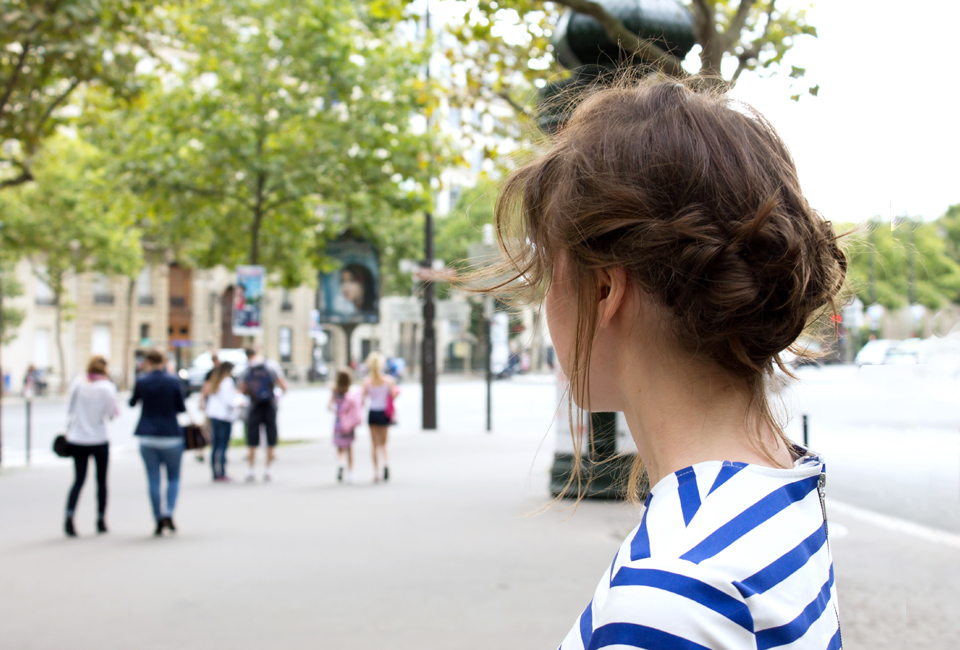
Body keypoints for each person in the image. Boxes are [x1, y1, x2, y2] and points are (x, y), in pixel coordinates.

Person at [477, 80, 846, 649]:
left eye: (551, 274)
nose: (548, 302)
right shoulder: (782, 488)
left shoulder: (670, 596)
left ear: (604, 290)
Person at [130, 349, 187, 536]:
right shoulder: (173, 380)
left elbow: (132, 402)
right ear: (164, 361)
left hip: (147, 436)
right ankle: (169, 511)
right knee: (174, 478)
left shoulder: (142, 381)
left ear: (147, 362)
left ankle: (157, 517)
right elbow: (181, 407)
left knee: (153, 479)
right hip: (171, 435)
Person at [63, 356, 119, 537]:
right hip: (99, 439)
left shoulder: (77, 384)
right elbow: (112, 413)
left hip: (78, 439)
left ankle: (69, 516)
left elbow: (69, 409)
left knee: (78, 480)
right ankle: (101, 519)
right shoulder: (107, 388)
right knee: (101, 481)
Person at [238, 348, 287, 482]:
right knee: (270, 437)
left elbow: (241, 390)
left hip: (254, 406)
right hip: (269, 406)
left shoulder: (247, 369)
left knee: (252, 439)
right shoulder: (271, 367)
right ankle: (268, 470)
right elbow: (284, 387)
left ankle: (251, 470)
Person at [362, 352, 398, 483]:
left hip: (373, 412)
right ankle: (386, 464)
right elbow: (393, 396)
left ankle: (376, 472)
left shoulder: (367, 381)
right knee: (384, 443)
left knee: (374, 445)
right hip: (384, 413)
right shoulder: (388, 380)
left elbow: (363, 398)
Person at [204, 361, 238, 482]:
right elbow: (229, 401)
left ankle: (215, 472)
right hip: (224, 417)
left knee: (216, 445)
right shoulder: (227, 381)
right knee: (223, 445)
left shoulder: (215, 380)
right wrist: (239, 402)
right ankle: (222, 472)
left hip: (214, 416)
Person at [328, 369, 362, 484]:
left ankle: (340, 463)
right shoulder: (351, 391)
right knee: (349, 448)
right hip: (348, 424)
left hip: (338, 422)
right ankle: (350, 473)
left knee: (339, 448)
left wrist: (337, 411)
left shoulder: (335, 391)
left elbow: (329, 406)